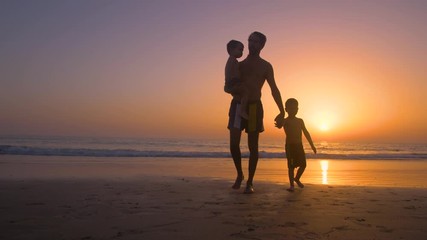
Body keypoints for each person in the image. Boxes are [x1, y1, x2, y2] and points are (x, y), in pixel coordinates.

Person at [226, 31, 285, 194]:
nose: (252, 44)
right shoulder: (239, 64)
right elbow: (230, 82)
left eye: (256, 42)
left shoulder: (266, 66)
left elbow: (274, 89)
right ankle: (239, 174)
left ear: (262, 45)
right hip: (238, 106)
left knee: (253, 146)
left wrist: (282, 111)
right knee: (233, 144)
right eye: (250, 41)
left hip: (254, 108)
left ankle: (250, 181)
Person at [276, 98, 317, 192]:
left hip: (299, 146)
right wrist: (278, 123)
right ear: (286, 109)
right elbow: (279, 124)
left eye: (294, 108)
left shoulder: (300, 121)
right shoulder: (285, 121)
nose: (293, 110)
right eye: (290, 108)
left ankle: (297, 178)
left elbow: (306, 133)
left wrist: (312, 145)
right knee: (291, 167)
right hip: (290, 147)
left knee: (303, 164)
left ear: (297, 109)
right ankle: (291, 185)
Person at [224, 40, 249, 119]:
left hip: (232, 83)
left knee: (239, 95)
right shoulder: (232, 60)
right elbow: (229, 73)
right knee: (246, 93)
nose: (241, 52)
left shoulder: (233, 61)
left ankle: (241, 109)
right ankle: (242, 111)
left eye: (242, 50)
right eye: (240, 49)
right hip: (233, 82)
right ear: (231, 50)